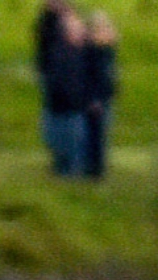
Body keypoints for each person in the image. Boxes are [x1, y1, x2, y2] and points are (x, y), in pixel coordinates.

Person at [36, 1, 90, 175]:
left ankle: (71, 169)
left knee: (73, 134)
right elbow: (43, 41)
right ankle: (62, 165)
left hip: (74, 100)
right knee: (56, 133)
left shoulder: (83, 50)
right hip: (57, 95)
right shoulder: (50, 27)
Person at [83, 10, 117, 179]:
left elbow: (108, 74)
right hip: (96, 98)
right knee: (95, 134)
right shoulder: (91, 51)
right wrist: (93, 98)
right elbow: (90, 76)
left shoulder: (107, 49)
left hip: (105, 96)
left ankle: (98, 167)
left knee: (102, 133)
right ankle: (94, 169)